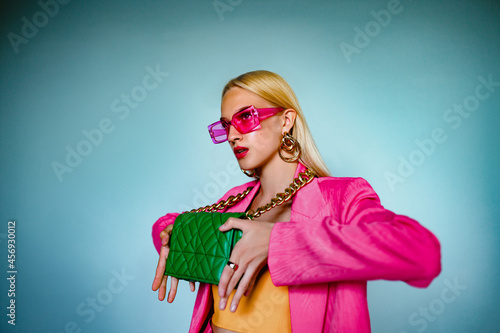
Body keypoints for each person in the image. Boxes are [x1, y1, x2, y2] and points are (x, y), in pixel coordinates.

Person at [152, 70, 441, 333]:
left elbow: (422, 254)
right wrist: (171, 234)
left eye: (245, 117)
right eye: (226, 125)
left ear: (286, 121)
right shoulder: (232, 202)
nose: (232, 135)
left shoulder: (341, 198)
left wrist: (279, 243)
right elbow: (165, 226)